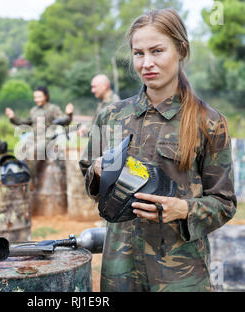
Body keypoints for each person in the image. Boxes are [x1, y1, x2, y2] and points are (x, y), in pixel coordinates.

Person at [79, 9, 236, 292]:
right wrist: (99, 170)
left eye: (157, 51)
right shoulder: (110, 116)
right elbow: (89, 179)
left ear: (181, 50)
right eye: (139, 53)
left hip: (180, 274)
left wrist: (183, 208)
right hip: (120, 271)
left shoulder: (209, 122)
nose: (147, 63)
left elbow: (224, 203)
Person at [5, 86, 74, 159]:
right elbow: (24, 122)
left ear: (46, 96)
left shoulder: (53, 108)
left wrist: (69, 115)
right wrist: (13, 117)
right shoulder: (34, 110)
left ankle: (32, 170)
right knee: (20, 150)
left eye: (39, 97)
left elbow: (64, 121)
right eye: (35, 97)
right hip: (33, 139)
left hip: (47, 139)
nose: (36, 99)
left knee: (34, 151)